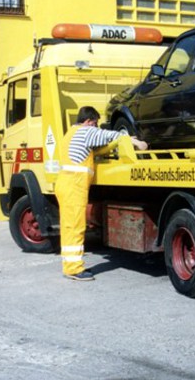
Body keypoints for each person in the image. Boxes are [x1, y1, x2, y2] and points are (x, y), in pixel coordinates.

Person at [55, 106, 148, 281]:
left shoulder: (71, 134)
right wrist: (135, 142)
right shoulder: (86, 132)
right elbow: (108, 135)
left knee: (69, 226)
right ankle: (74, 269)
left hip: (66, 184)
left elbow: (95, 149)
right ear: (89, 121)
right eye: (96, 123)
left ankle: (70, 266)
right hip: (73, 186)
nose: (97, 127)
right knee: (75, 227)